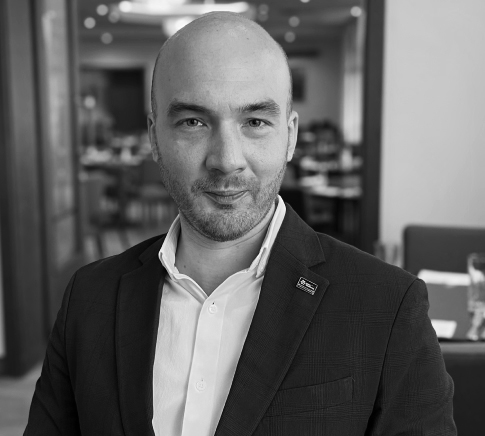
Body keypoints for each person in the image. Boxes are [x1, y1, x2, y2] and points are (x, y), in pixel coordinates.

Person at [24, 12, 456, 436]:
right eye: (193, 122)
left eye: (255, 122)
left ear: (290, 136)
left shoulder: (389, 306)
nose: (227, 160)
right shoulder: (89, 299)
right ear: (155, 137)